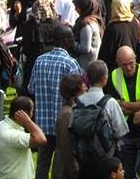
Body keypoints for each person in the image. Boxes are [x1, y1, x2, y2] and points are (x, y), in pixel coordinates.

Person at [29, 24, 83, 179]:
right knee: (60, 165)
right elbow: (79, 93)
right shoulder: (70, 63)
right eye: (72, 37)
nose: (74, 40)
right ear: (65, 40)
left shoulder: (39, 60)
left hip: (42, 124)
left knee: (42, 163)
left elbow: (31, 88)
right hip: (63, 124)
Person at [72, 60, 129, 175]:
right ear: (105, 79)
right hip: (107, 158)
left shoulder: (78, 102)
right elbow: (121, 131)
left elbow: (72, 128)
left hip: (83, 157)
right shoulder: (110, 102)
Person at [107, 46, 140, 179]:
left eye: (131, 63)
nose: (128, 68)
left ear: (136, 59)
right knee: (128, 173)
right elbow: (115, 106)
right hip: (125, 133)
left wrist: (126, 104)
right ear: (118, 63)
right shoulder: (114, 75)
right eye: (124, 65)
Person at [0, 96, 47, 179]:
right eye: (32, 110)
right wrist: (28, 121)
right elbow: (41, 139)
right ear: (24, 113)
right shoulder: (11, 134)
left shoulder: (0, 125)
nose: (33, 114)